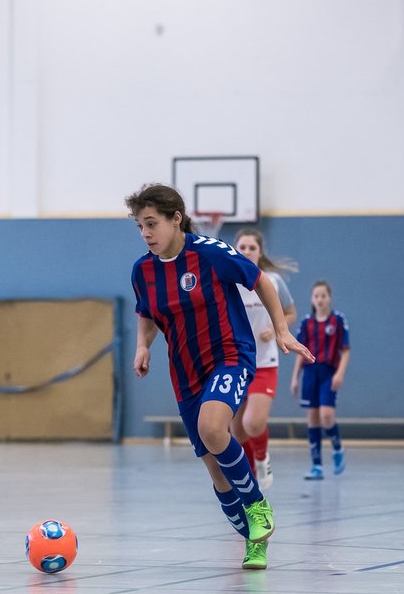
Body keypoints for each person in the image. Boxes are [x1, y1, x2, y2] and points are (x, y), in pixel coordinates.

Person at [128, 184, 312, 571]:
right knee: (214, 466)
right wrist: (143, 346)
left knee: (214, 428)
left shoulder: (210, 253)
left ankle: (259, 503)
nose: (145, 233)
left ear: (175, 219)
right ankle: (254, 541)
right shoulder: (142, 270)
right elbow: (146, 312)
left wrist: (281, 330)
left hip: (230, 356)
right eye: (140, 226)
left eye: (151, 224)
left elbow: (260, 279)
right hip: (185, 372)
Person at [231, 228, 297, 489]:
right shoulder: (228, 282)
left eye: (252, 247)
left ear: (259, 253)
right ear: (235, 250)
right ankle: (250, 481)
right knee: (236, 431)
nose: (246, 251)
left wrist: (277, 328)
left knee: (253, 423)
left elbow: (290, 313)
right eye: (242, 247)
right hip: (235, 362)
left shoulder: (272, 281)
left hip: (264, 363)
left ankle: (262, 457)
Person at [291, 280, 349, 480]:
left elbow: (346, 350)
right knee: (313, 418)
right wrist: (295, 378)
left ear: (329, 298)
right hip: (310, 374)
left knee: (326, 416)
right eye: (316, 296)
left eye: (323, 295)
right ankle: (316, 466)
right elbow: (300, 351)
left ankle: (337, 448)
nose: (320, 299)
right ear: (312, 299)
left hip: (328, 373)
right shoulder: (307, 323)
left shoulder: (338, 321)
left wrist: (339, 373)